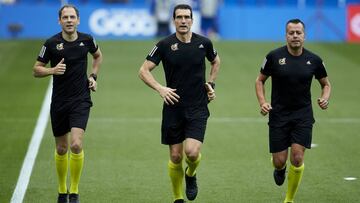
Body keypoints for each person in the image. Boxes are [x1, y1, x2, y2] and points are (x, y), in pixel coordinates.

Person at [138, 4, 220, 203]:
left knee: (191, 153)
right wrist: (160, 88)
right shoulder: (164, 44)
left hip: (198, 107)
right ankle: (178, 198)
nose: (183, 21)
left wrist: (211, 84)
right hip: (173, 107)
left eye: (187, 17)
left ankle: (191, 175)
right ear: (173, 20)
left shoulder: (204, 43)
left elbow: (216, 61)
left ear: (192, 20)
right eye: (179, 17)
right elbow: (143, 70)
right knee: (175, 157)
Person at [255, 18, 331, 203]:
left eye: (298, 33)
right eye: (291, 33)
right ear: (286, 35)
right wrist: (263, 102)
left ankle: (289, 199)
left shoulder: (314, 60)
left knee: (297, 158)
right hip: (278, 114)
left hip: (303, 115)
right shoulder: (273, 57)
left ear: (304, 35)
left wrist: (324, 98)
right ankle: (279, 169)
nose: (295, 36)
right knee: (280, 161)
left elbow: (326, 84)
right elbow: (259, 81)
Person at [33, 4, 102, 203]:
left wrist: (93, 76)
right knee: (62, 149)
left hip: (81, 99)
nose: (69, 20)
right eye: (65, 17)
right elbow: (36, 69)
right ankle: (62, 190)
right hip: (59, 102)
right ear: (59, 21)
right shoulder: (51, 43)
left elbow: (98, 56)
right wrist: (51, 70)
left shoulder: (87, 40)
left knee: (76, 144)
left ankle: (74, 191)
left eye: (72, 17)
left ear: (78, 20)